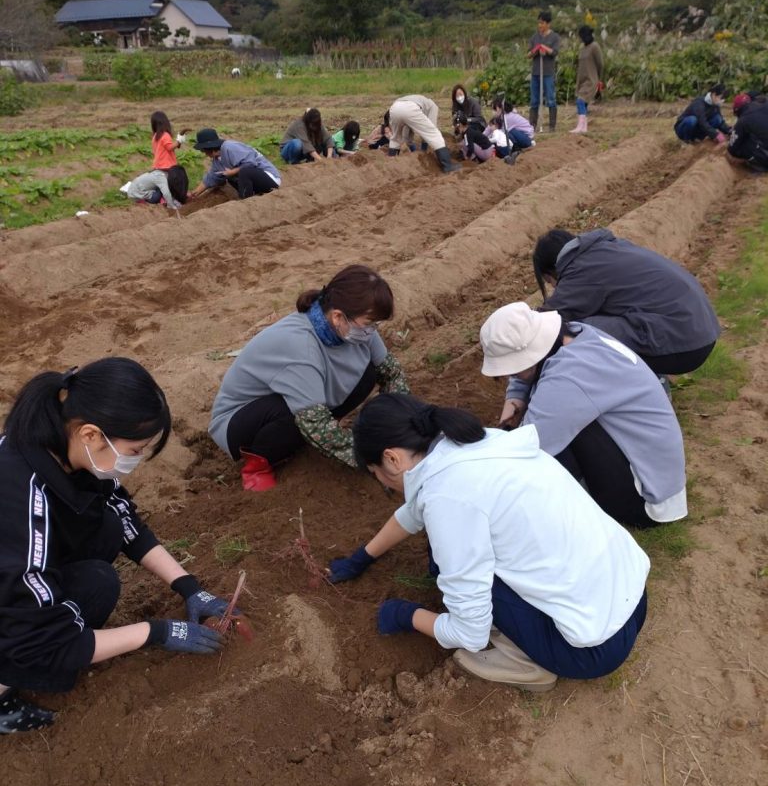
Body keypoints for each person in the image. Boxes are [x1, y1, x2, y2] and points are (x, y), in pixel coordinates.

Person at [327, 393, 649, 690]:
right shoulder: (473, 443)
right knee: (458, 558)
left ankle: (524, 660)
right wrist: (363, 556)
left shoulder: (446, 495)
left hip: (593, 650)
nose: (382, 482)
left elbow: (469, 633)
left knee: (445, 567)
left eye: (376, 473)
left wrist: (404, 614)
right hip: (631, 598)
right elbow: (415, 511)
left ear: (392, 459)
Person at [0, 358, 237, 733]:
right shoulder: (21, 503)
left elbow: (125, 520)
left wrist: (188, 587)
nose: (138, 460)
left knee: (105, 530)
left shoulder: (63, 447)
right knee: (91, 590)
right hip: (11, 602)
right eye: (135, 450)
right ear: (91, 434)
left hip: (19, 571)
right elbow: (41, 640)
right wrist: (157, 632)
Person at [480, 302, 688, 529]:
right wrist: (508, 418)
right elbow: (523, 378)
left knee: (543, 455)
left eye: (512, 368)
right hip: (656, 471)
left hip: (645, 500)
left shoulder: (570, 376)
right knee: (555, 419)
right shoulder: (575, 335)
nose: (511, 374)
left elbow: (529, 447)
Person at [208, 265, 410, 491]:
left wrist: (399, 428)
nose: (373, 331)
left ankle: (305, 437)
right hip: (242, 422)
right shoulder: (301, 346)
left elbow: (391, 372)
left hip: (303, 404)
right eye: (369, 324)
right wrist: (372, 461)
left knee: (368, 372)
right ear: (337, 317)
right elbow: (315, 423)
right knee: (292, 414)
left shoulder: (356, 328)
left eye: (376, 325)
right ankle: (257, 466)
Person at [532, 228, 720, 374]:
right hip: (700, 330)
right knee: (599, 319)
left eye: (550, 282)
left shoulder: (582, 269)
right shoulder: (608, 249)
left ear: (553, 270)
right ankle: (649, 380)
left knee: (576, 331)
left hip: (685, 344)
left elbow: (549, 320)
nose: (556, 288)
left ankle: (637, 391)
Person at [188, 128, 281, 201]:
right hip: (257, 183)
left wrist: (233, 172)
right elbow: (212, 177)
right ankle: (249, 198)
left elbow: (250, 163)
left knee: (244, 172)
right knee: (227, 176)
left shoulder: (230, 147)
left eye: (203, 150)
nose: (204, 153)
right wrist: (194, 193)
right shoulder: (217, 160)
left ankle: (246, 200)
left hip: (270, 179)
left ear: (208, 148)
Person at [387, 94, 460, 173]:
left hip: (394, 108)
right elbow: (430, 131)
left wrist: (412, 147)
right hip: (410, 108)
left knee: (395, 138)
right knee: (435, 134)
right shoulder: (433, 106)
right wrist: (423, 149)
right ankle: (448, 166)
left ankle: (391, 164)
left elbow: (407, 134)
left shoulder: (417, 99)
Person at [528, 11, 560, 132]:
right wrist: (535, 51)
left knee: (550, 98)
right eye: (539, 23)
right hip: (536, 72)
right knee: (534, 100)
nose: (539, 25)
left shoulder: (554, 37)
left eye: (542, 23)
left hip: (548, 72)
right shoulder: (535, 37)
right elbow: (528, 54)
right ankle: (532, 125)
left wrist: (544, 48)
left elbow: (555, 52)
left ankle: (552, 126)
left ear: (548, 24)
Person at [571, 26, 604, 134]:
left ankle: (581, 126)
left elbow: (600, 64)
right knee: (583, 103)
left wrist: (598, 78)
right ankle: (583, 127)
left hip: (591, 80)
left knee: (580, 101)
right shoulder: (583, 49)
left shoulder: (594, 47)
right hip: (582, 80)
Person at [727, 93, 768, 173]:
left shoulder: (743, 120)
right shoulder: (765, 104)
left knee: (744, 142)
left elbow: (732, 149)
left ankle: (760, 165)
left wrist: (734, 133)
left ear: (738, 110)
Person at [120, 166, 188, 208]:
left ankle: (166, 200)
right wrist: (171, 206)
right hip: (136, 194)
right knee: (162, 190)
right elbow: (166, 193)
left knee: (162, 188)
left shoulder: (160, 173)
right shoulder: (161, 178)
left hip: (133, 192)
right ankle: (164, 201)